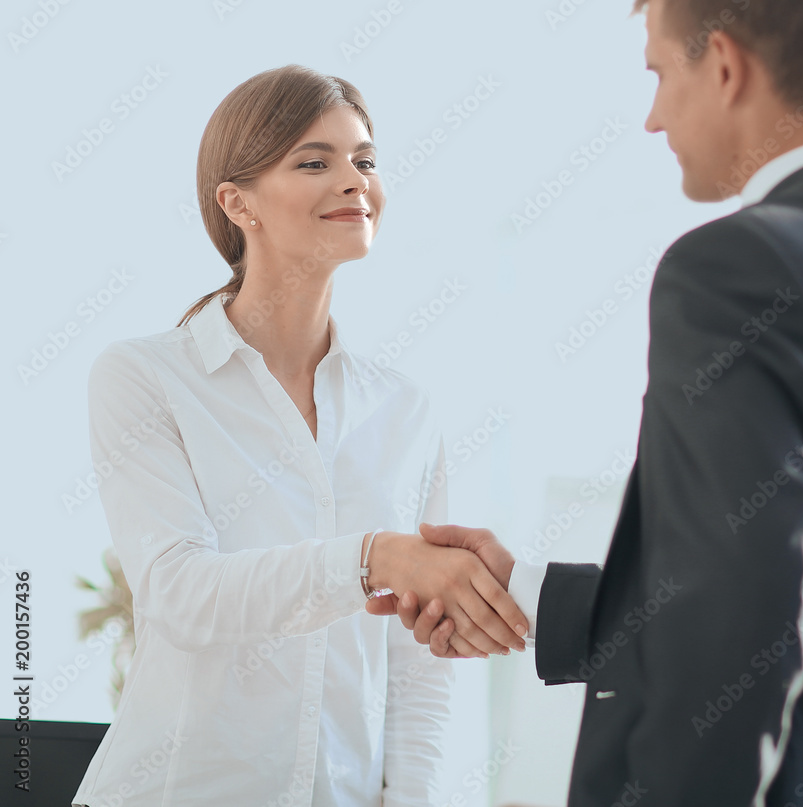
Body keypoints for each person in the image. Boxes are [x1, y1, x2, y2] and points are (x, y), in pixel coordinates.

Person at [372, 1, 803, 805]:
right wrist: (528, 590)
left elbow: (735, 628)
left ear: (727, 67)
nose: (652, 116)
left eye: (662, 74)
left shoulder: (737, 269)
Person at [72, 64, 526, 807]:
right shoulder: (143, 377)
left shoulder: (404, 410)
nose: (354, 180)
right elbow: (181, 593)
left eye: (365, 160)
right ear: (236, 202)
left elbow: (420, 667)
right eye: (315, 161)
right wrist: (373, 558)